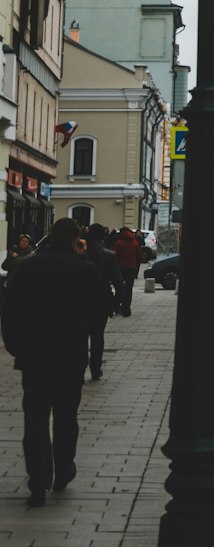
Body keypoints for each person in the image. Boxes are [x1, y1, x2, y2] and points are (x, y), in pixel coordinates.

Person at [1, 216, 111, 507]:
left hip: (34, 357)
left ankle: (37, 482)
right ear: (76, 240)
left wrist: (15, 347)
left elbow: (9, 310)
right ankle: (63, 470)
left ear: (50, 235)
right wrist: (85, 328)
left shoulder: (27, 268)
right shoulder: (83, 269)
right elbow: (105, 302)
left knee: (34, 420)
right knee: (66, 417)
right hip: (70, 355)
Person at [84, 224, 124, 380]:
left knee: (80, 336)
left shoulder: (81, 253)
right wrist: (118, 303)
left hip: (80, 300)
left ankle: (79, 368)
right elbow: (118, 281)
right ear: (103, 237)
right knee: (97, 337)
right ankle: (95, 368)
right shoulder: (109, 255)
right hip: (101, 300)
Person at [112, 227, 143, 316]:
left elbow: (113, 255)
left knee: (119, 287)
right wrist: (136, 265)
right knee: (129, 288)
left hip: (120, 268)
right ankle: (126, 308)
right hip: (131, 268)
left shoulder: (118, 242)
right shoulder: (135, 242)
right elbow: (139, 256)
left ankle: (116, 307)